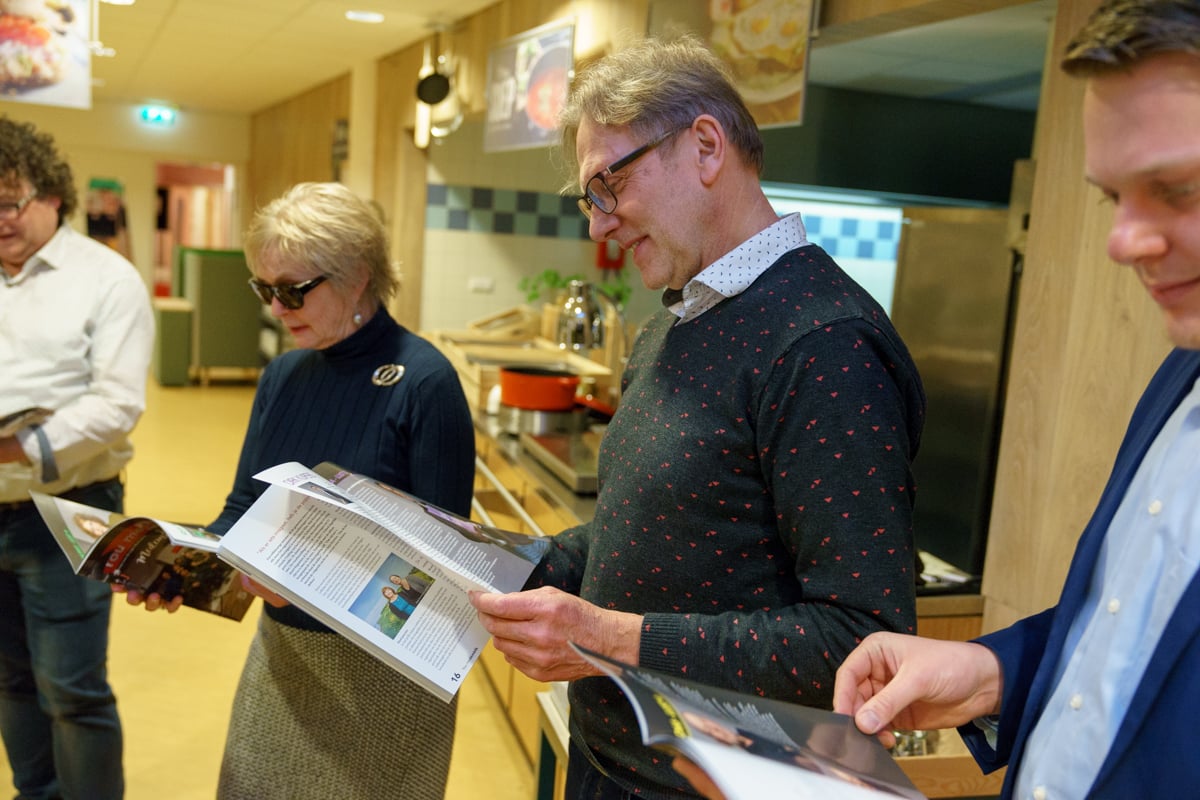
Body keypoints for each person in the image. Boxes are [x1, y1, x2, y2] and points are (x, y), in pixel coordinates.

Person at [469, 36, 927, 799]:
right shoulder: (675, 323)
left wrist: (611, 639)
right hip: (611, 763)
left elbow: (860, 638)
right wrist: (502, 562)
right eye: (590, 199)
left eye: (608, 185)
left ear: (706, 147)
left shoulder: (825, 344)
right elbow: (654, 533)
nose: (599, 225)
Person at [824, 3, 1200, 800]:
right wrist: (990, 670)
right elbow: (1129, 640)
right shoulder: (1180, 375)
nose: (1123, 242)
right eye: (1112, 197)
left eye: (1178, 189)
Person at [123, 182, 475, 800]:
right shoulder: (283, 375)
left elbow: (450, 568)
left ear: (358, 277)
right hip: (285, 653)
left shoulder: (425, 384)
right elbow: (242, 509)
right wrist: (183, 564)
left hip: (387, 678)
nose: (277, 308)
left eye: (292, 290)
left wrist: (308, 585)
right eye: (264, 289)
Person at [0, 116, 154, 800]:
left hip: (68, 510)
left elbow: (117, 403)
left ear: (53, 195)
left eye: (10, 201)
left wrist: (13, 447)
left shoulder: (106, 279)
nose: (0, 218)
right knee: (10, 679)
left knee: (71, 688)